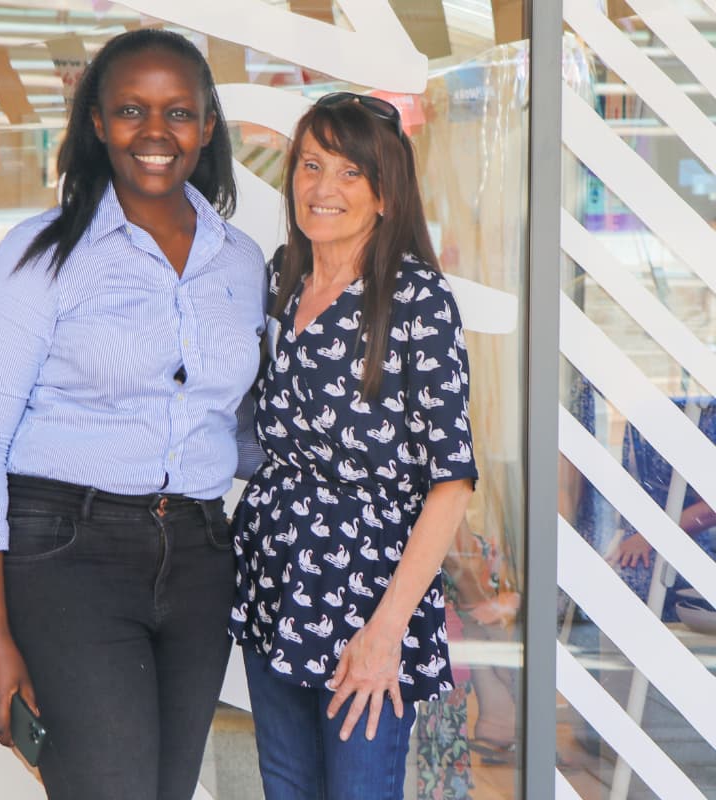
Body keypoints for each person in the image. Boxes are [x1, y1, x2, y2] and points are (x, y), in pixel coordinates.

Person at [0, 28, 265, 800]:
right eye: (130, 110)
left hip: (199, 556)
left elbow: (239, 430)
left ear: (208, 126)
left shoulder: (244, 261)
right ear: (95, 122)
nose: (155, 134)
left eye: (178, 113)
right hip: (67, 556)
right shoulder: (41, 255)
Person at [230, 92, 478, 800]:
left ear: (384, 194)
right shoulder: (280, 277)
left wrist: (385, 630)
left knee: (360, 790)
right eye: (311, 165)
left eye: (347, 172)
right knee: (287, 786)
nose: (322, 188)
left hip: (369, 588)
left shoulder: (416, 300)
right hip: (275, 571)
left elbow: (451, 479)